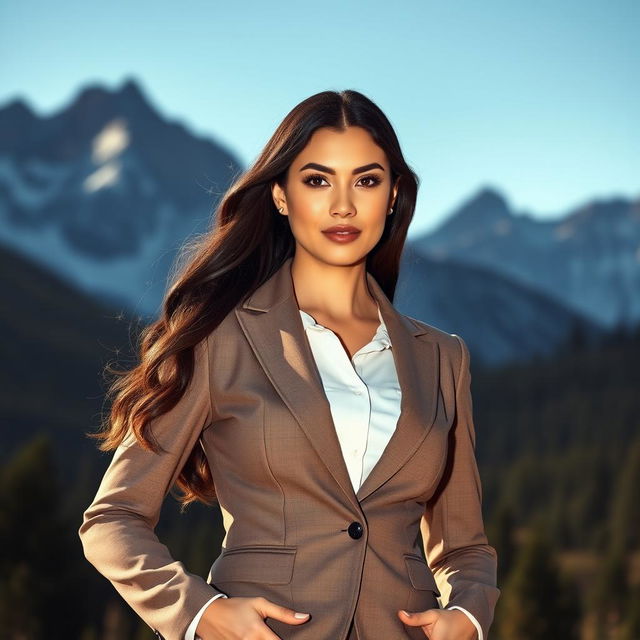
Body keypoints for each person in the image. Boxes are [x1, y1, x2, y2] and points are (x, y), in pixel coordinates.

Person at [78, 89, 500, 640]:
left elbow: (465, 545)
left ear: (393, 195)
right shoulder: (218, 337)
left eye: (367, 181)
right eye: (318, 180)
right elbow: (112, 521)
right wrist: (201, 614)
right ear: (280, 195)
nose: (343, 205)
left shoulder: (444, 357)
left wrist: (467, 615)